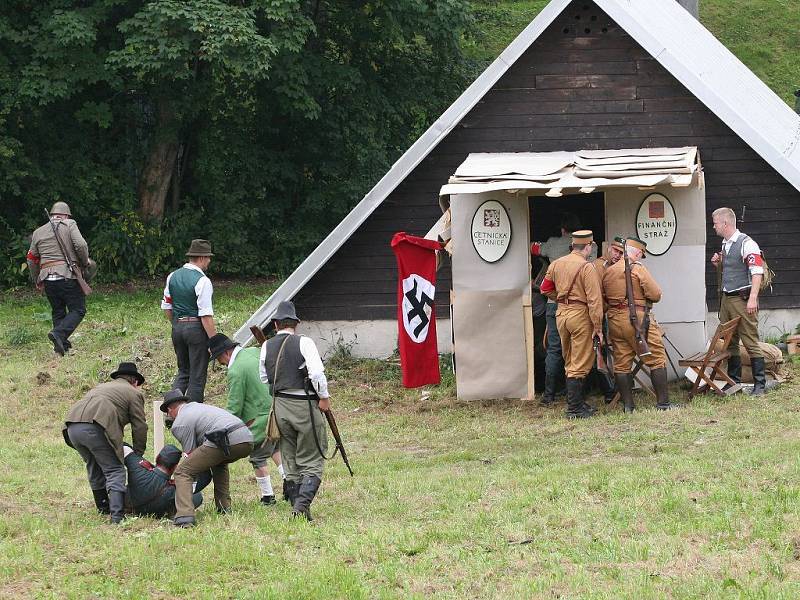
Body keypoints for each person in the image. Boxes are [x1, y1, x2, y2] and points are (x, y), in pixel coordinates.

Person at [259, 300, 332, 521]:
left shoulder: (266, 346)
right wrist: (324, 398)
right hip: (304, 407)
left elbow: (264, 377)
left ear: (275, 324)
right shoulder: (305, 342)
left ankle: (300, 510)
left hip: (280, 407)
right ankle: (300, 509)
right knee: (312, 457)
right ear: (296, 324)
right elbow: (317, 374)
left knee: (290, 458)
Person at [63, 362, 147, 523]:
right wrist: (138, 453)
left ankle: (103, 509)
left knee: (94, 465)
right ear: (135, 381)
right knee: (115, 469)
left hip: (71, 426)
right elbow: (140, 426)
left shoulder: (101, 387)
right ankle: (117, 516)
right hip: (95, 426)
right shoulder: (133, 393)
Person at [209, 333, 285, 506]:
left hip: (259, 420)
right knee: (275, 448)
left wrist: (222, 423)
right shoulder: (255, 352)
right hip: (278, 409)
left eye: (219, 359)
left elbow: (235, 405)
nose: (221, 363)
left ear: (226, 353)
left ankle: (268, 496)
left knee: (258, 456)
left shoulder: (235, 371)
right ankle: (290, 484)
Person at [603, 238, 677, 412]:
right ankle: (663, 404)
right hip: (636, 320)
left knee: (621, 364)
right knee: (657, 359)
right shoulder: (637, 268)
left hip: (614, 320)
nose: (641, 258)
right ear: (636, 252)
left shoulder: (608, 271)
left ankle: (628, 407)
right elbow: (656, 294)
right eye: (641, 255)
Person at [162, 389, 253, 528]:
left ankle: (185, 516)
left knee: (183, 472)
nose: (170, 417)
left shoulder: (180, 422)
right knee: (219, 464)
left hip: (225, 438)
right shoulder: (199, 407)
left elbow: (190, 455)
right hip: (246, 438)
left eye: (168, 414)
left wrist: (190, 489)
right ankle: (224, 507)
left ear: (170, 409)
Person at [540, 230, 603, 419]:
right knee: (580, 361)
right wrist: (598, 327)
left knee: (569, 359)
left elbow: (544, 288)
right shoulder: (587, 267)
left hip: (561, 315)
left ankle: (577, 403)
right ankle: (574, 408)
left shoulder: (556, 264)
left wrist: (561, 299)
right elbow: (594, 300)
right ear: (588, 246)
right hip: (580, 316)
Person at [711, 207, 767, 395]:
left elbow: (757, 272)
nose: (714, 227)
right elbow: (732, 269)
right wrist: (719, 264)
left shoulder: (747, 243)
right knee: (730, 340)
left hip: (742, 300)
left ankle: (760, 385)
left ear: (725, 223)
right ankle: (733, 381)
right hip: (727, 299)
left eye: (715, 223)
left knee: (750, 339)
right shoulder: (725, 244)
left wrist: (752, 299)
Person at [26, 201, 91, 355]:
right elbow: (81, 245)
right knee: (78, 309)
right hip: (67, 275)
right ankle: (59, 334)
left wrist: (38, 279)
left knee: (58, 311)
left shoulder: (38, 232)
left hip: (47, 279)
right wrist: (83, 262)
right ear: (66, 215)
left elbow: (31, 259)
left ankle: (61, 347)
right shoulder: (69, 224)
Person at [531, 212, 581, 406]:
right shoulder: (589, 248)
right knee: (578, 350)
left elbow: (534, 248)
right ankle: (576, 395)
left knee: (553, 350)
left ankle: (549, 395)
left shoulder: (552, 243)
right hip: (578, 307)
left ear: (562, 229)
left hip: (554, 306)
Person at [161, 239, 217, 403]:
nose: (209, 261)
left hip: (177, 327)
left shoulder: (172, 276)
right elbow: (206, 316)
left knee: (183, 371)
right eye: (208, 257)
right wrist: (214, 341)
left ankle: (171, 412)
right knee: (197, 375)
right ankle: (194, 415)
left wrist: (177, 324)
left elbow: (167, 307)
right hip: (196, 330)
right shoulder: (203, 281)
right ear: (201, 258)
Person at [123, 444, 204, 518]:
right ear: (175, 467)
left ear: (157, 458)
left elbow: (123, 447)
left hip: (124, 506)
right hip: (155, 513)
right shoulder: (174, 490)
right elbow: (197, 497)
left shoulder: (139, 467)